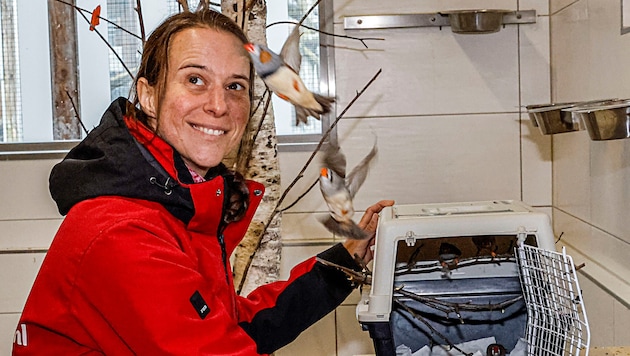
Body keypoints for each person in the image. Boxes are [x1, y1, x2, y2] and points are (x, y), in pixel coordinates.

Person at [12, 8, 394, 355]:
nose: (219, 105)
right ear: (148, 95)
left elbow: (231, 326)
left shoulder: (175, 199)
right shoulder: (123, 230)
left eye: (235, 86)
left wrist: (344, 262)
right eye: (195, 79)